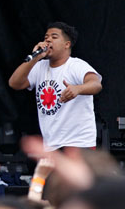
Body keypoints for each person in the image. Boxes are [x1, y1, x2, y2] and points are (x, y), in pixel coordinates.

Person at [9, 22, 102, 151]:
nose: (48, 40)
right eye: (46, 37)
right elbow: (15, 83)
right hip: (51, 145)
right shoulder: (40, 67)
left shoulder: (76, 65)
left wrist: (77, 89)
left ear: (67, 44)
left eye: (54, 37)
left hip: (78, 143)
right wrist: (36, 57)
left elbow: (96, 84)